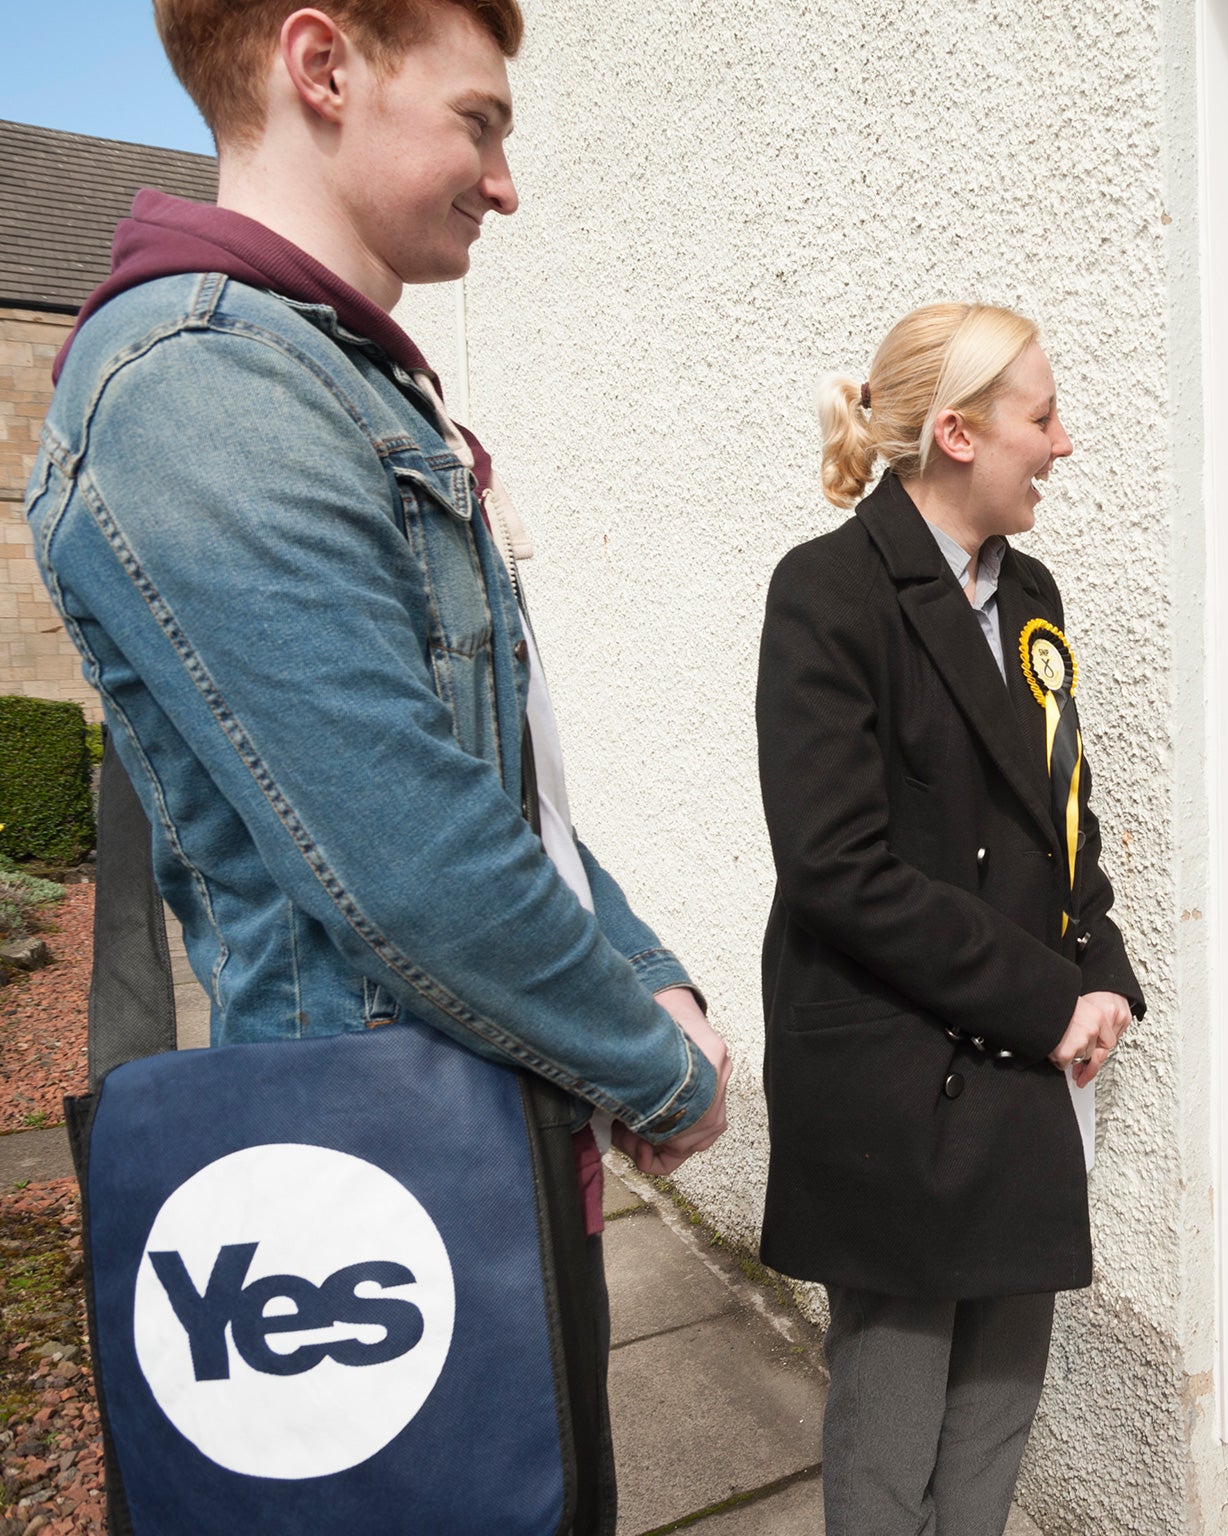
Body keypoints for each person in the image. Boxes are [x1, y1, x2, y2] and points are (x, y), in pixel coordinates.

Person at [26, 0, 731, 1519]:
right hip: (370, 1203)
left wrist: (637, 956)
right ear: (324, 65)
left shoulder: (333, 378)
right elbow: (408, 863)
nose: (505, 176)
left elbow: (483, 790)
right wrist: (661, 1069)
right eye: (481, 120)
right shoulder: (201, 385)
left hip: (480, 1151)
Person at [754, 303, 1145, 1534]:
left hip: (1022, 1058)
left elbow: (1060, 812)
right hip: (897, 1064)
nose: (1064, 443)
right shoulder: (827, 591)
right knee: (893, 1416)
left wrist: (1108, 969)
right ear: (961, 433)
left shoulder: (1028, 590)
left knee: (995, 1406)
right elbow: (838, 868)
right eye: (1043, 416)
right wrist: (1048, 999)